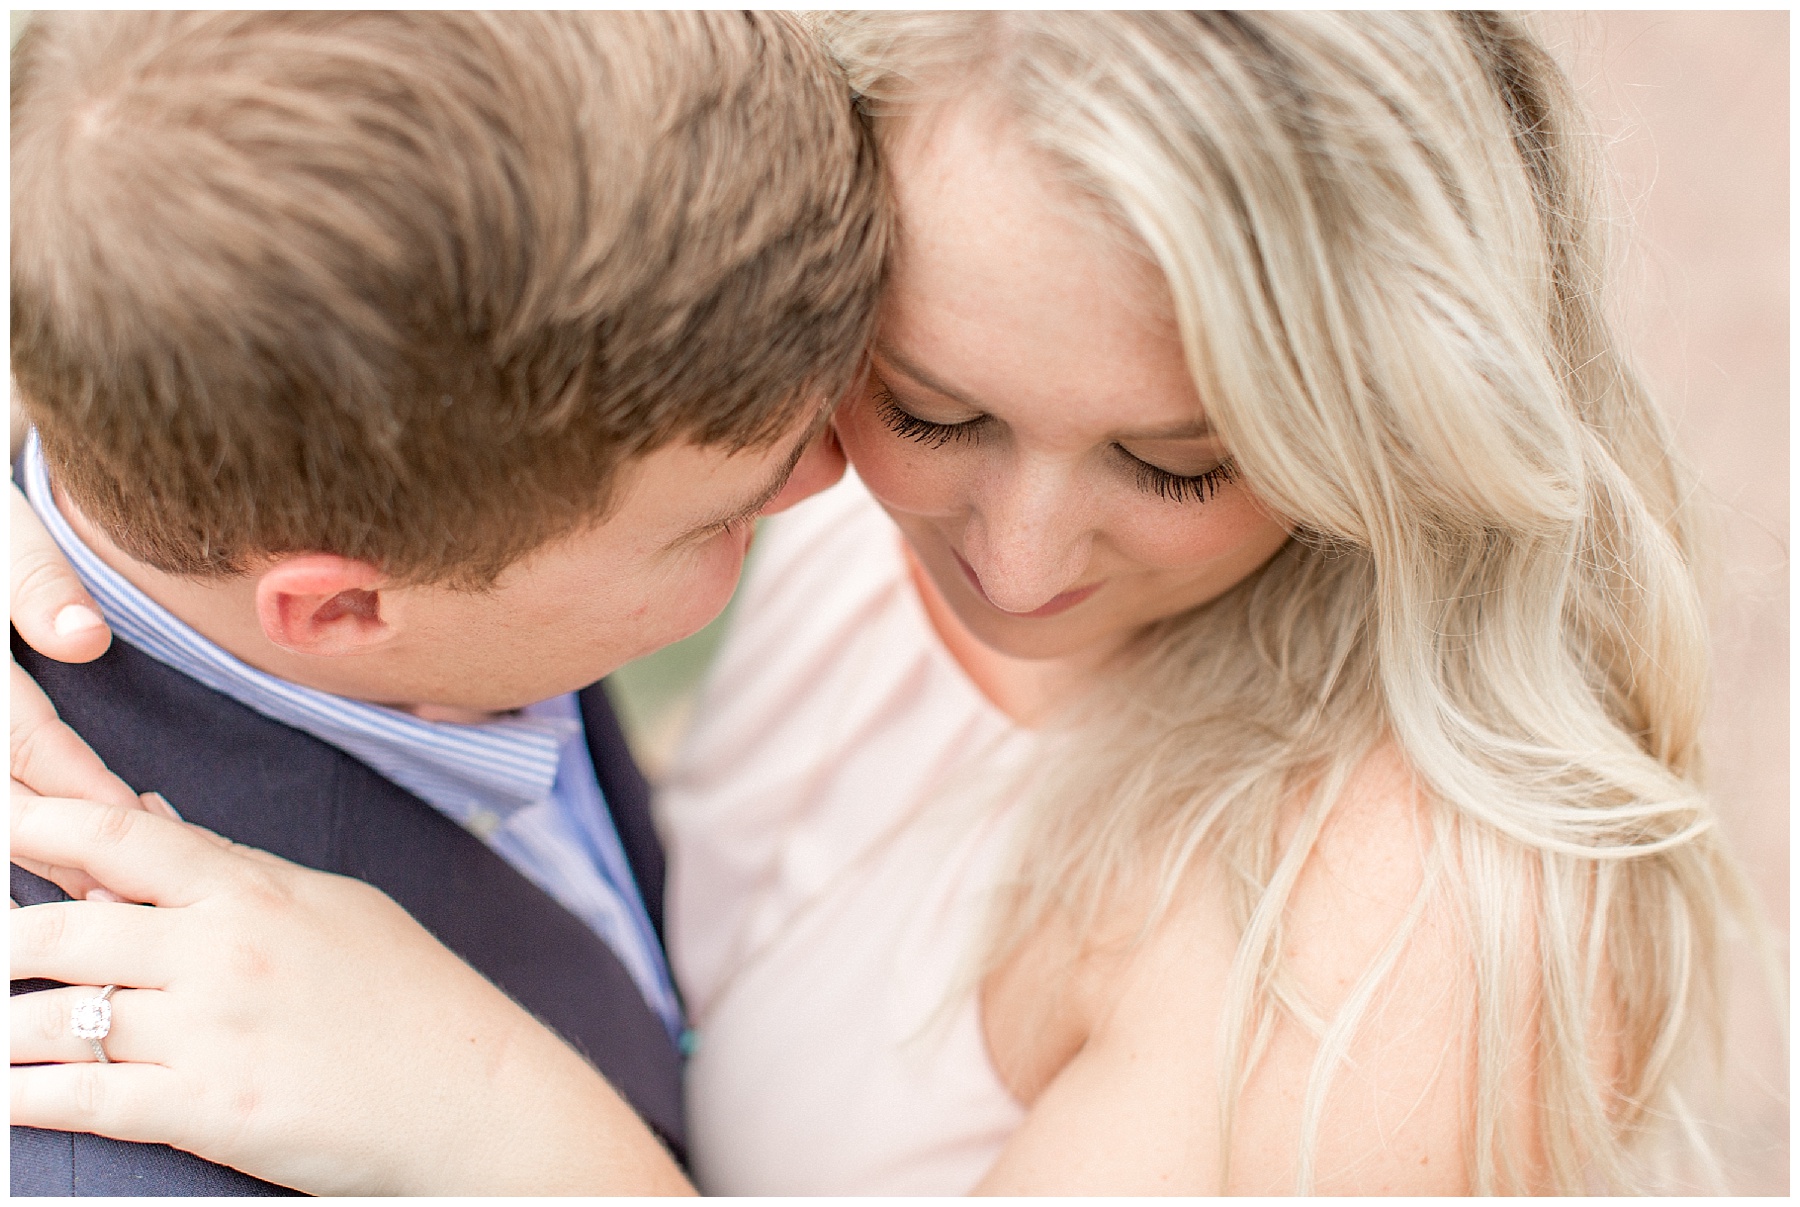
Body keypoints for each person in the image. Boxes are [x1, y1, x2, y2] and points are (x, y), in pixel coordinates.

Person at [11, 11, 1754, 1195]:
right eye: (927, 406)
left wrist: (522, 1137)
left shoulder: (1393, 934)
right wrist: (99, 418)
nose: (1018, 553)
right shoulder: (767, 418)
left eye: (1178, 458)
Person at [5, 9, 883, 1196]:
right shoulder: (130, 1137)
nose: (838, 476)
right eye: (721, 517)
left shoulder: (428, 474)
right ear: (340, 612)